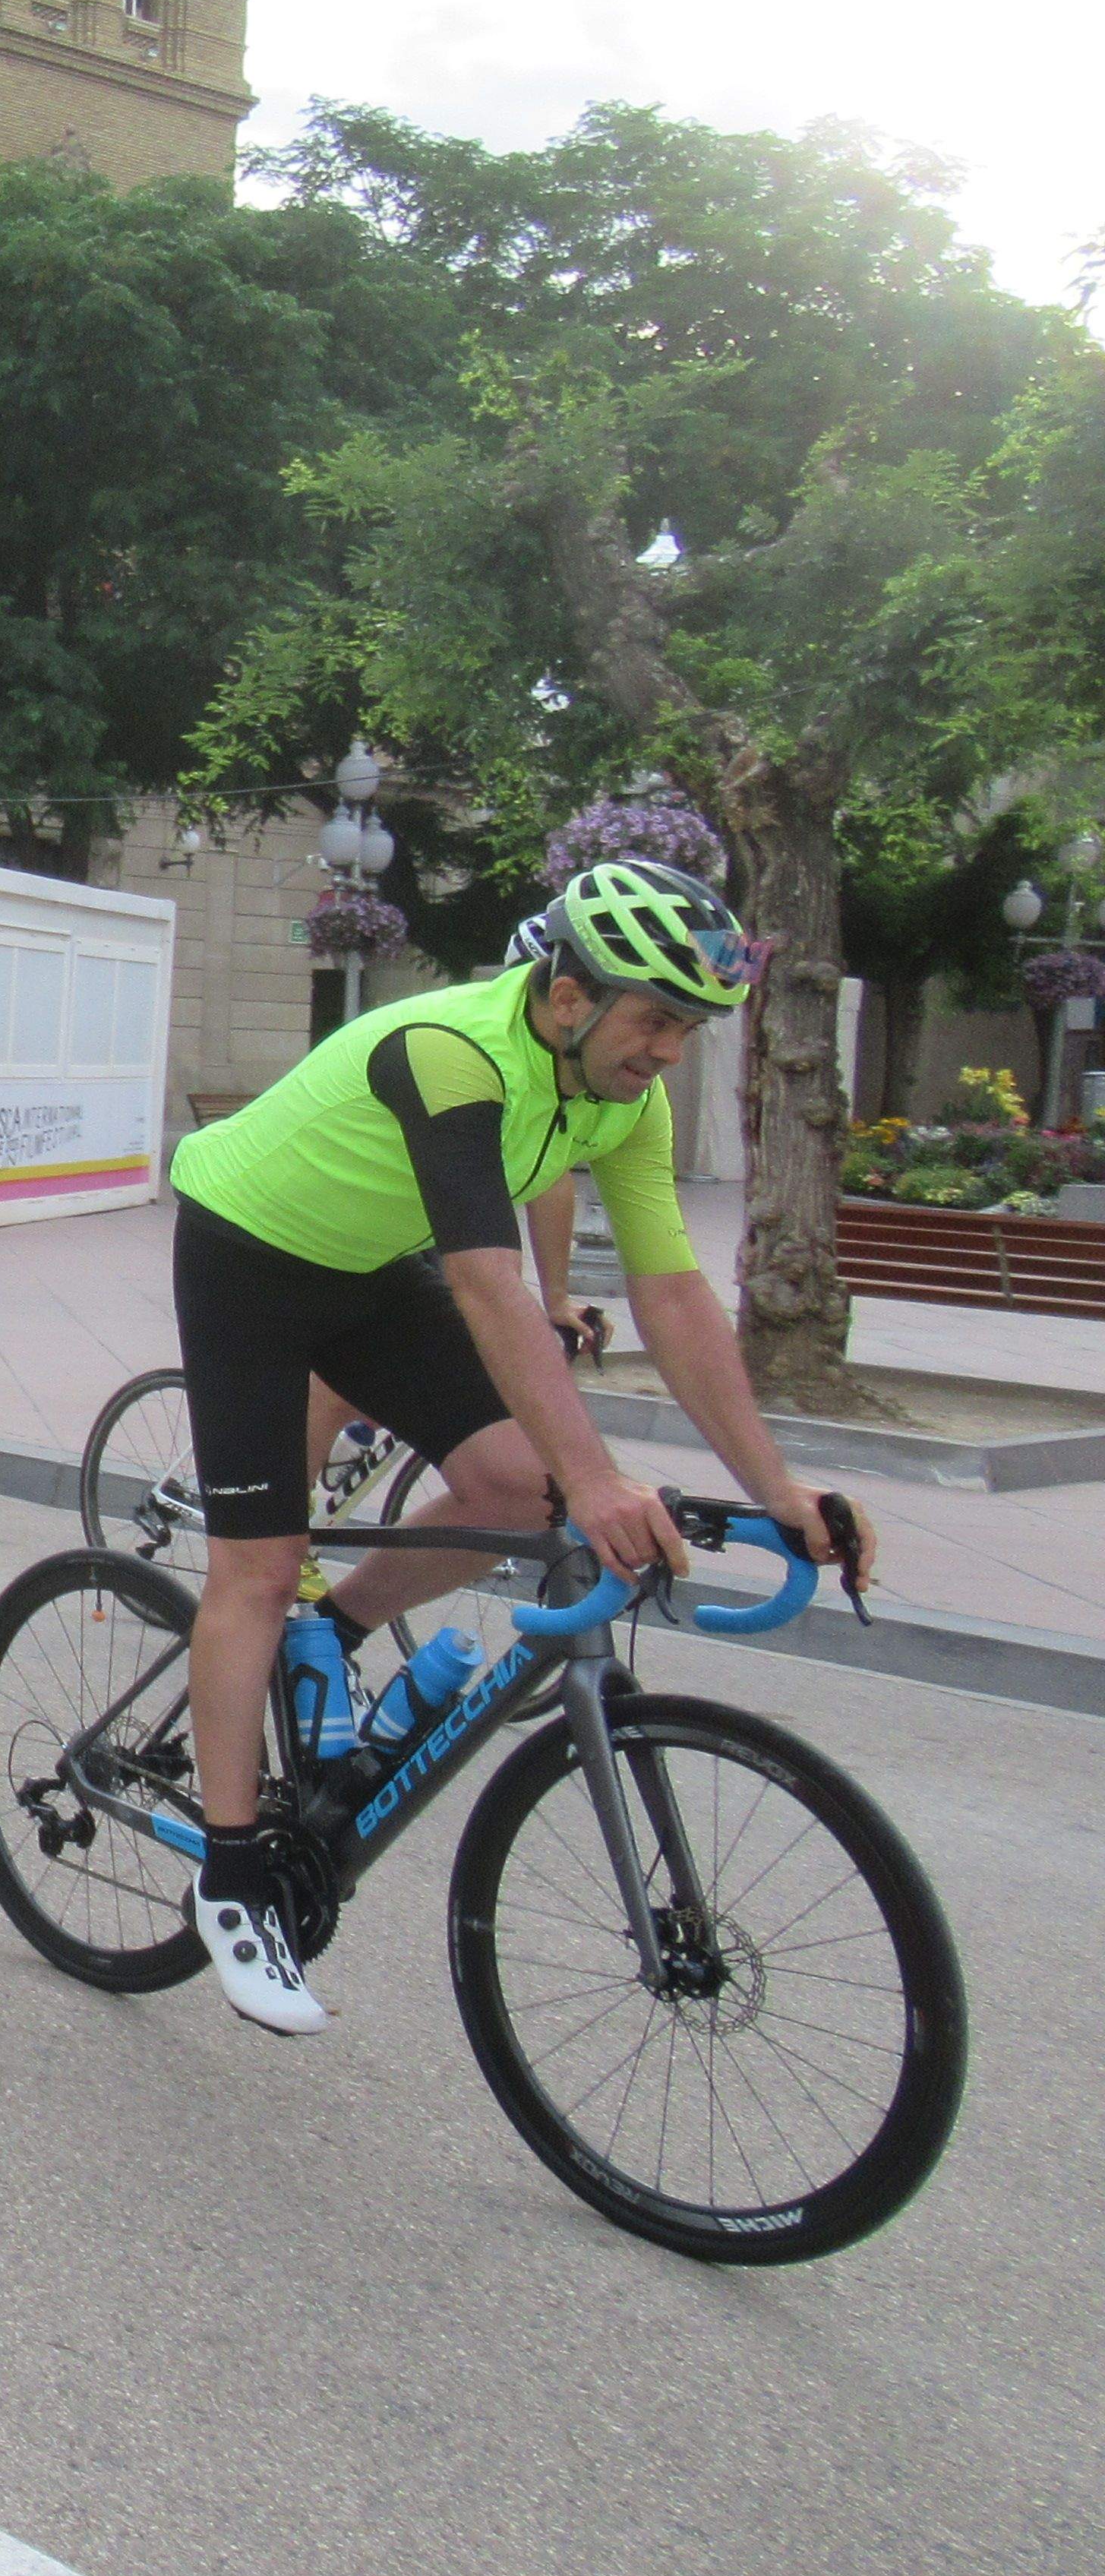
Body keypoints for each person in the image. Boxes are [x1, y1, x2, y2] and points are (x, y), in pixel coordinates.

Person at [163, 858, 879, 2037]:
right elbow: (492, 1288)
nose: (668, 1050)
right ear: (565, 997)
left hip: (361, 1268)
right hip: (248, 1252)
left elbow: (675, 1294)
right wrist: (598, 1481)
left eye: (687, 1027)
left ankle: (326, 1637)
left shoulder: (624, 1101)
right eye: (653, 1019)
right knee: (255, 1561)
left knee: (509, 1485)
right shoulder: (452, 1052)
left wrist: (781, 1488)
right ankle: (231, 1877)